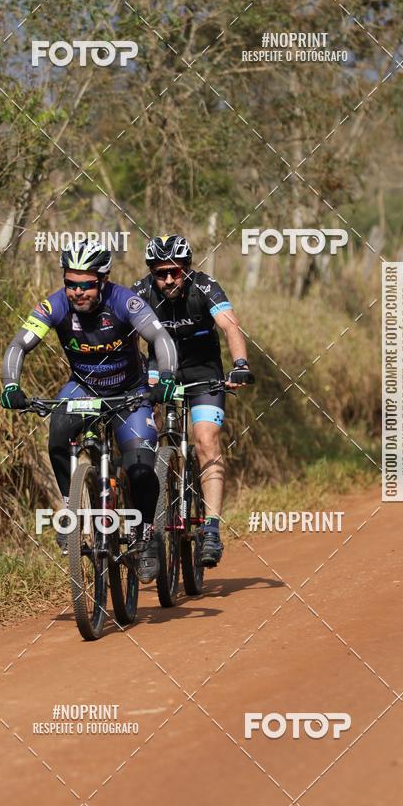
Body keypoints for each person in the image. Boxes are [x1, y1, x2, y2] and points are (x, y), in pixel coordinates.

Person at [0, 240, 177, 583]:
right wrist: (10, 385)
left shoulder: (125, 301)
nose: (77, 292)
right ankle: (72, 507)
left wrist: (165, 379)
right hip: (84, 387)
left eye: (86, 285)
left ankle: (145, 535)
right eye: (71, 284)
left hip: (130, 390)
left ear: (104, 280)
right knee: (58, 433)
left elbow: (160, 338)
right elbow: (19, 344)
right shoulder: (54, 305)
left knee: (139, 467)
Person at [131, 235, 253, 568]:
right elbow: (121, 334)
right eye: (160, 273)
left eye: (175, 271)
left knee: (205, 439)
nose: (168, 279)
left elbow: (230, 326)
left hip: (203, 369)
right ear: (152, 273)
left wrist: (240, 365)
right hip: (159, 368)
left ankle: (211, 529)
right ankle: (146, 527)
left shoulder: (205, 287)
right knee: (143, 438)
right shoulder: (140, 293)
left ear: (187, 268)